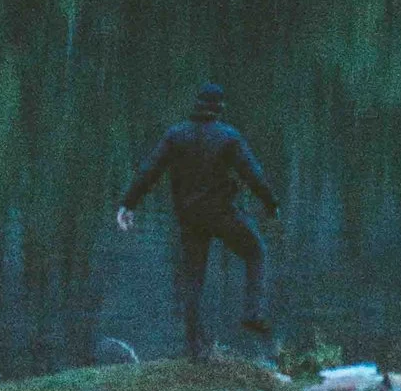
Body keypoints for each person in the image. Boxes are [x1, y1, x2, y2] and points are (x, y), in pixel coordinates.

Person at [117, 81, 279, 356]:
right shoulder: (228, 136)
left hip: (189, 216)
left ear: (196, 106)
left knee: (194, 277)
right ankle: (253, 312)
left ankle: (195, 347)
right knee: (255, 252)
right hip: (221, 213)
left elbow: (150, 170)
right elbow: (253, 173)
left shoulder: (176, 135)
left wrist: (128, 204)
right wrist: (271, 204)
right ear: (220, 108)